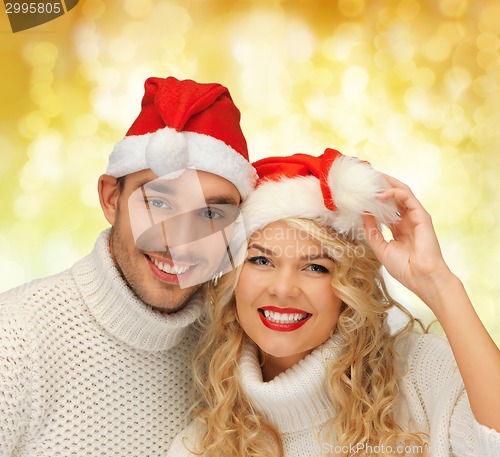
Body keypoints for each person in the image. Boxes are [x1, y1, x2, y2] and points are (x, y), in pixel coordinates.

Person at [167, 149, 500, 457]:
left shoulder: (421, 372)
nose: (283, 289)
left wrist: (438, 282)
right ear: (232, 278)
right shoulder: (201, 446)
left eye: (315, 267)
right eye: (261, 261)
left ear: (348, 286)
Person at [0, 76, 257, 456]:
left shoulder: (230, 345)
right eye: (160, 202)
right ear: (110, 198)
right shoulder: (16, 340)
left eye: (208, 212)